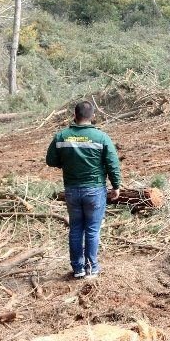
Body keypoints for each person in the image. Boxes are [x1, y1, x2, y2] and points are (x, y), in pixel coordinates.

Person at [46, 101, 121, 279]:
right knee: (92, 230)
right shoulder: (101, 137)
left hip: (72, 190)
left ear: (74, 115)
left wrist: (66, 163)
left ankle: (78, 269)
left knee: (76, 229)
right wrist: (116, 186)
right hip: (94, 190)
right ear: (93, 116)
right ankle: (92, 268)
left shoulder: (61, 136)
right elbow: (112, 164)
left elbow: (50, 160)